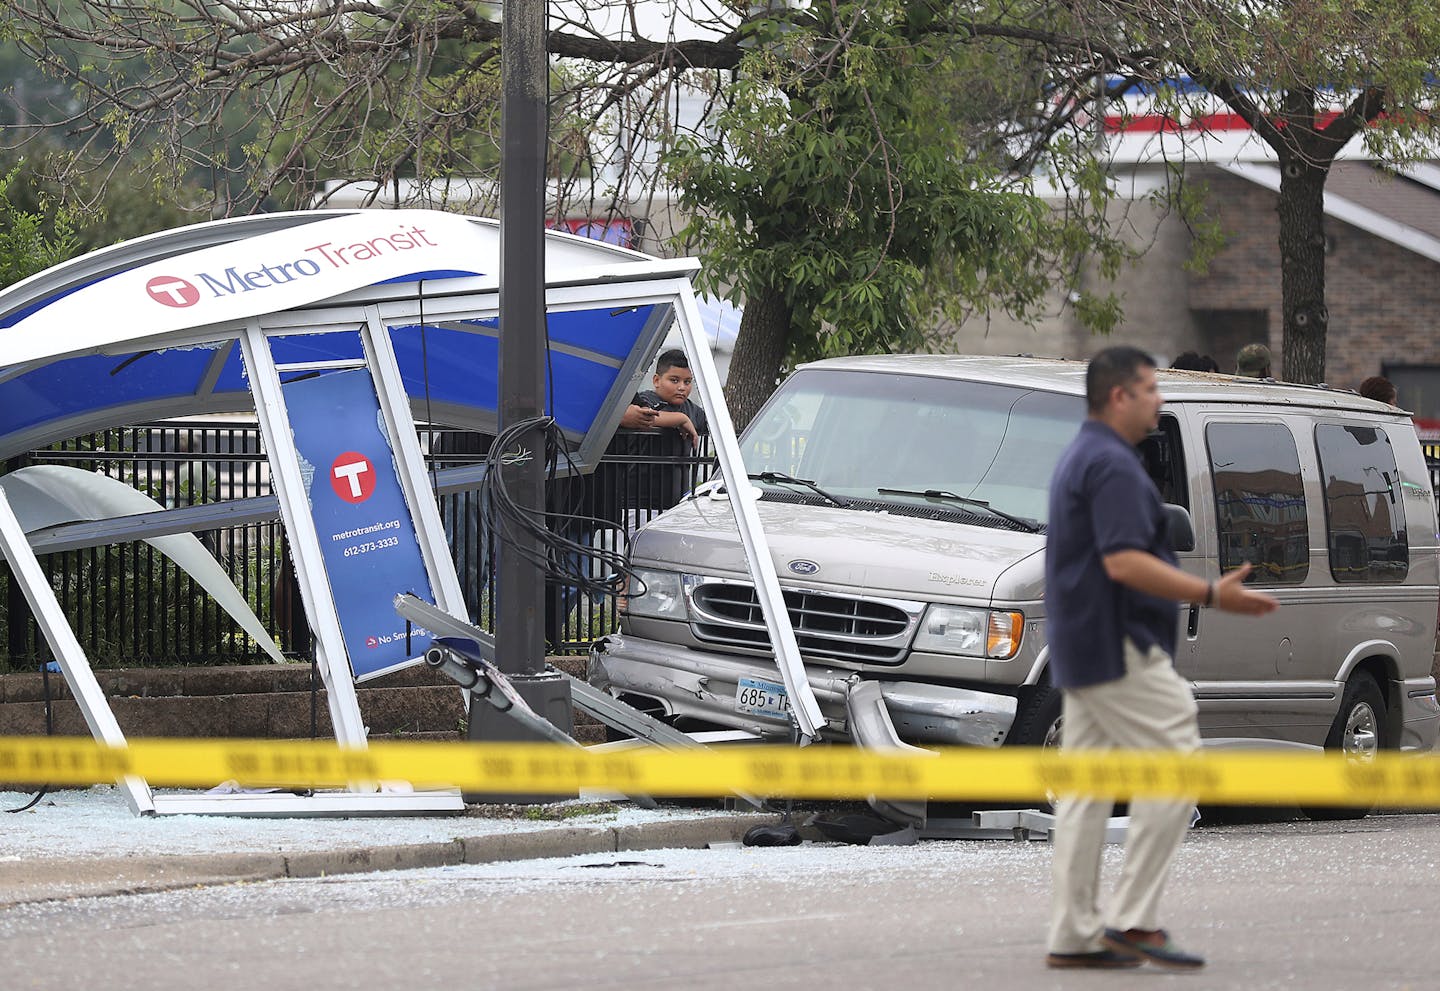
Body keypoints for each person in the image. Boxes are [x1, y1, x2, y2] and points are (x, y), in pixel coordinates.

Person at [1044, 346, 1279, 971]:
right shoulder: (1114, 467)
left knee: (1086, 792)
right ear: (1119, 395)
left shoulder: (1080, 457)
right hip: (1121, 646)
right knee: (1178, 761)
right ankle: (1134, 920)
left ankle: (1074, 933)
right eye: (1150, 389)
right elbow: (1123, 561)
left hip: (1082, 642)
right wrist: (1211, 592)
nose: (1160, 399)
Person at [637, 348, 708, 447]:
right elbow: (641, 417)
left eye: (687, 382)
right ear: (656, 380)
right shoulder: (644, 399)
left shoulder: (692, 409)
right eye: (674, 380)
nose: (682, 387)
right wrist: (681, 419)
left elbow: (717, 427)